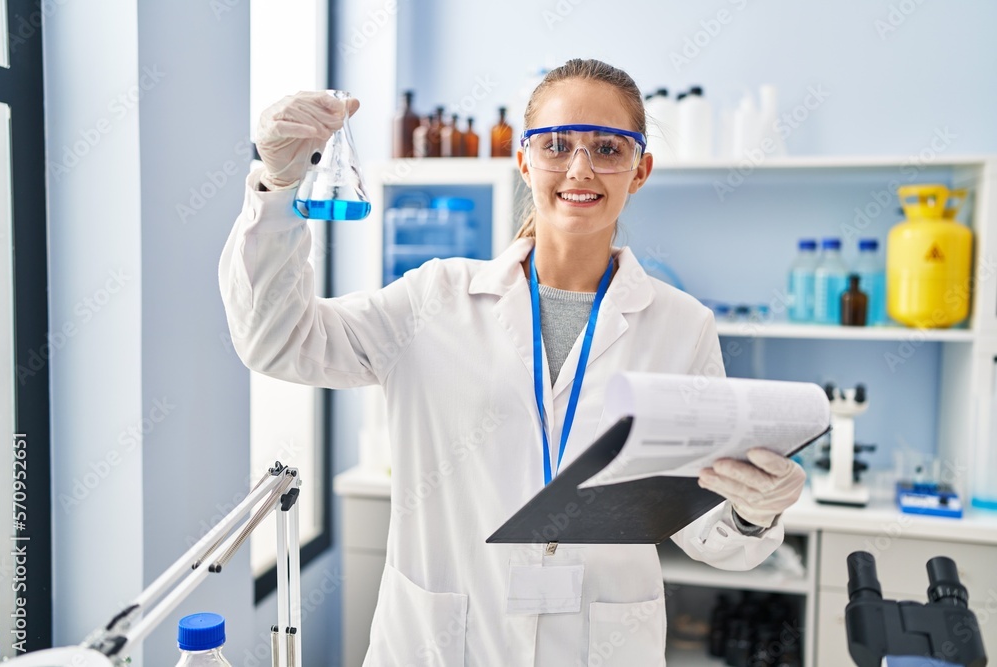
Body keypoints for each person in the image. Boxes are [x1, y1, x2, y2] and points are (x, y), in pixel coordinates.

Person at [219, 58, 806, 666]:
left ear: (640, 170)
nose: (580, 168)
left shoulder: (681, 326)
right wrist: (277, 187)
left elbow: (705, 530)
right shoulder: (434, 297)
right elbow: (276, 340)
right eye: (555, 144)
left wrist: (753, 511)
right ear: (524, 160)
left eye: (608, 147)